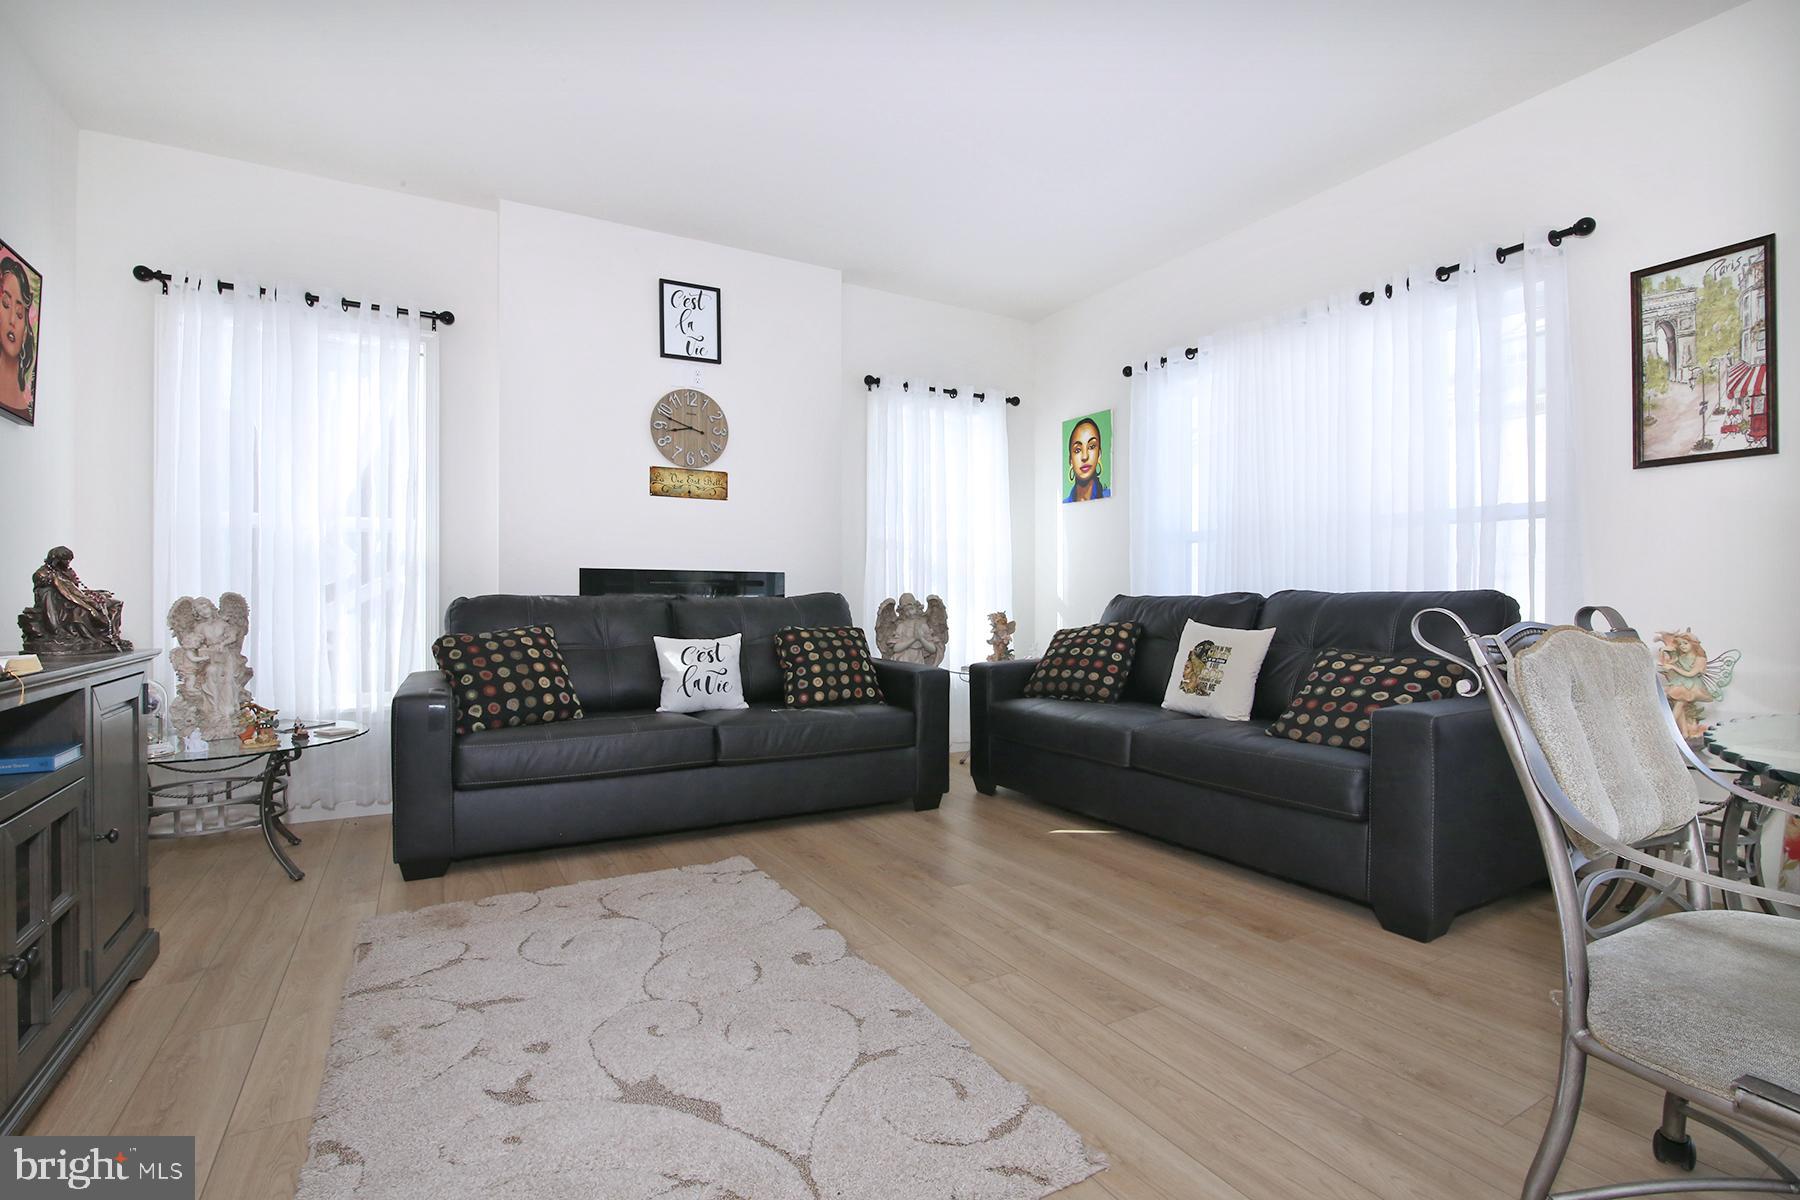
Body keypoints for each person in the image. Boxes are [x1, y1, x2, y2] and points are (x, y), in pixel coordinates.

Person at [0, 255, 37, 420]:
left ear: (26, 330)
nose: (12, 320)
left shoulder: (26, 410)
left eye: (20, 313)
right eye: (6, 304)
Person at [1064, 417, 1110, 502]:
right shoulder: (1064, 503)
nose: (1085, 457)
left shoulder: (1107, 496)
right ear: (1070, 460)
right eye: (1077, 450)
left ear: (1099, 454)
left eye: (1091, 447)